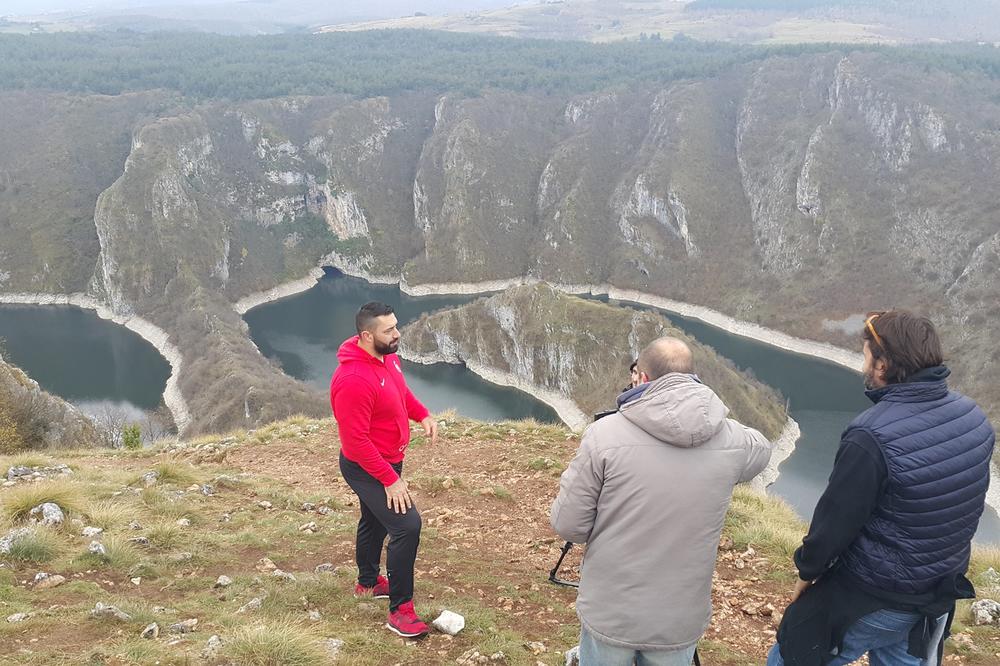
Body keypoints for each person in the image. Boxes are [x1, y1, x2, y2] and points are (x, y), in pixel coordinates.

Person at [767, 310, 996, 666]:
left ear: (883, 364)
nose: (863, 366)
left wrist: (808, 571)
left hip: (874, 594)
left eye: (865, 356)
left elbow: (835, 521)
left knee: (789, 657)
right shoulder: (973, 418)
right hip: (936, 594)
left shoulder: (871, 435)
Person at [550, 337, 772, 665]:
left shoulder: (604, 435)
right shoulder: (732, 439)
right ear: (692, 379)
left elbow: (569, 525)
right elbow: (763, 449)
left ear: (641, 378)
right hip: (680, 619)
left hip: (612, 611)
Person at [330, 301, 439, 638]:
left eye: (396, 326)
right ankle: (400, 612)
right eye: (389, 330)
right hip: (365, 467)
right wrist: (391, 480)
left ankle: (367, 583)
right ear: (367, 336)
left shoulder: (387, 357)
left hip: (388, 458)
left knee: (375, 520)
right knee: (407, 525)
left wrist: (422, 415)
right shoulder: (352, 380)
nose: (397, 334)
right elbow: (356, 442)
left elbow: (400, 394)